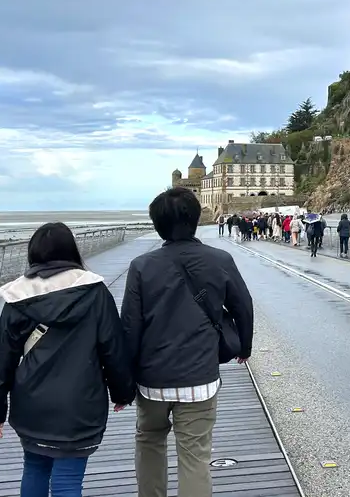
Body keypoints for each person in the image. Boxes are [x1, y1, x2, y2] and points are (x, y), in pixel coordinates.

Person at [0, 222, 135, 497]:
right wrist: (122, 391)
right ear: (71, 250)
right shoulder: (94, 291)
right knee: (68, 480)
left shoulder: (17, 296)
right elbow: (113, 348)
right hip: (81, 403)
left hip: (32, 401)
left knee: (35, 467)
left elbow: (2, 358)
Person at [121, 187, 254, 497]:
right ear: (195, 220)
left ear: (157, 225)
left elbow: (130, 326)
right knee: (195, 456)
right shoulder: (220, 259)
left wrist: (123, 382)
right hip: (199, 377)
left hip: (151, 379)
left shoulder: (142, 266)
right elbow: (242, 306)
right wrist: (244, 347)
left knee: (149, 441)